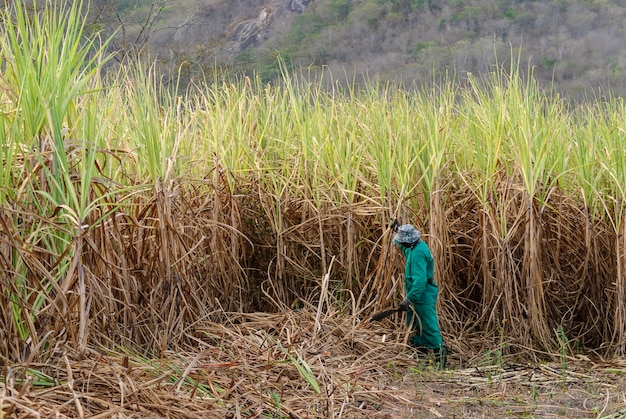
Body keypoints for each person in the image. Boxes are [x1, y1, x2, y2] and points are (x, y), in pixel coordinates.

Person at [393, 223, 447, 369]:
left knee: (428, 326)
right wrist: (397, 230)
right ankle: (420, 356)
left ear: (408, 241)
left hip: (422, 297)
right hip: (416, 297)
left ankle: (440, 357)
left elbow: (421, 280)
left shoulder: (418, 254)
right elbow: (405, 248)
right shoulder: (414, 247)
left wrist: (409, 299)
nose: (400, 243)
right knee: (415, 324)